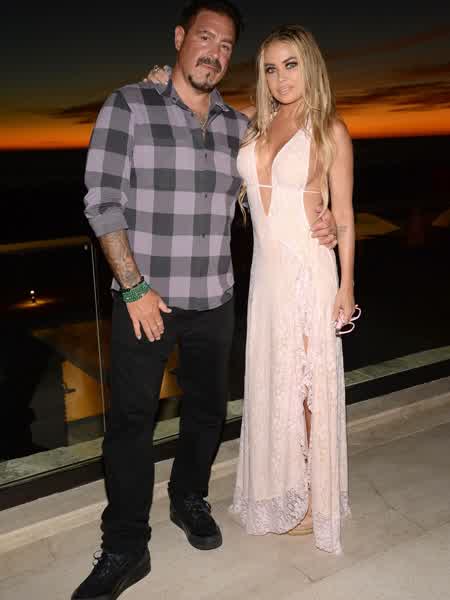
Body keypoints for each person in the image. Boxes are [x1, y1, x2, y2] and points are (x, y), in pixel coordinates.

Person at [73, 3, 338, 598]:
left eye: (225, 46)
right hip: (144, 301)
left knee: (206, 413)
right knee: (131, 423)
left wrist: (328, 222)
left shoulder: (238, 127)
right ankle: (125, 545)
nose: (213, 53)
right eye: (204, 37)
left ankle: (188, 498)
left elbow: (288, 178)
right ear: (179, 38)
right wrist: (134, 287)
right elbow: (101, 201)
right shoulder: (128, 105)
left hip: (215, 299)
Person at [228, 25, 356, 554]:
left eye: (291, 65)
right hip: (265, 277)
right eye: (270, 68)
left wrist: (347, 284)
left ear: (310, 66)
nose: (281, 78)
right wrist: (162, 78)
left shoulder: (329, 129)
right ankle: (282, 489)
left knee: (306, 389)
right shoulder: (253, 123)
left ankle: (309, 499)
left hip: (308, 270)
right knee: (275, 382)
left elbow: (343, 214)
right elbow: (198, 106)